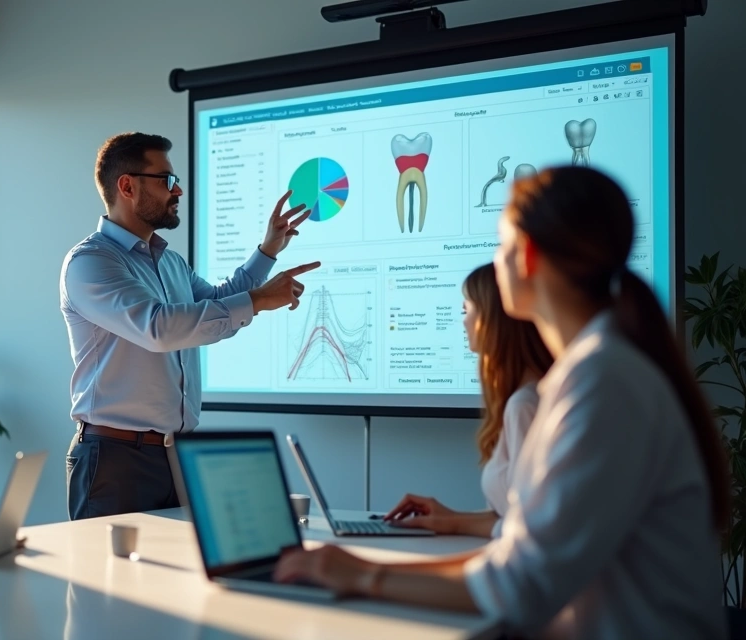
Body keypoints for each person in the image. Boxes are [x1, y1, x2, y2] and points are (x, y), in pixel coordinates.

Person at [274, 167, 729, 639]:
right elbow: (520, 555)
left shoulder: (604, 383)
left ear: (528, 255)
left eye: (501, 244)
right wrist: (361, 567)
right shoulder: (596, 372)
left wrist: (364, 576)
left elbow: (521, 584)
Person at [61, 132, 319, 520]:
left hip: (176, 457)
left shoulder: (169, 262)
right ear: (127, 186)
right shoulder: (91, 262)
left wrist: (266, 252)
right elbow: (158, 328)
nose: (177, 189)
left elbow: (216, 301)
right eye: (166, 180)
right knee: (108, 580)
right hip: (115, 461)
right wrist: (260, 299)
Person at [383, 263, 553, 537]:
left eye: (466, 310)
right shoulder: (525, 399)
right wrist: (450, 519)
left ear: (493, 320)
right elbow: (514, 520)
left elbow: (532, 532)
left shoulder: (525, 406)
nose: (462, 321)